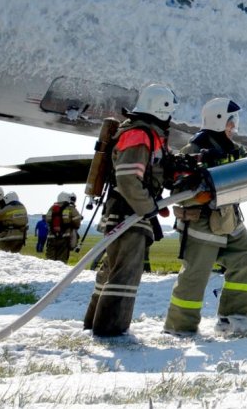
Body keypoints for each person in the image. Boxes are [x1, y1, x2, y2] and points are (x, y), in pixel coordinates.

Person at [83, 84, 176, 337]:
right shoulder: (140, 134)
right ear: (162, 108)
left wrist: (154, 204)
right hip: (128, 213)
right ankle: (110, 330)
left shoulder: (143, 133)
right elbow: (127, 179)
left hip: (126, 211)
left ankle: (94, 324)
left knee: (112, 270)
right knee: (125, 275)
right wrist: (147, 207)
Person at [163, 97, 247, 338]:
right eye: (230, 121)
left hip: (229, 219)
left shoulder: (234, 149)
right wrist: (202, 196)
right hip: (202, 223)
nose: (233, 126)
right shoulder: (193, 150)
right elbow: (178, 191)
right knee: (196, 275)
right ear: (217, 120)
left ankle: (234, 319)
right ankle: (179, 328)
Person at [45, 191, 82, 263]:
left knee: (50, 260)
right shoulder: (70, 208)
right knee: (61, 261)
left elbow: (47, 220)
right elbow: (77, 222)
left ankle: (49, 271)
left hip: (51, 237)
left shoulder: (52, 208)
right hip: (64, 238)